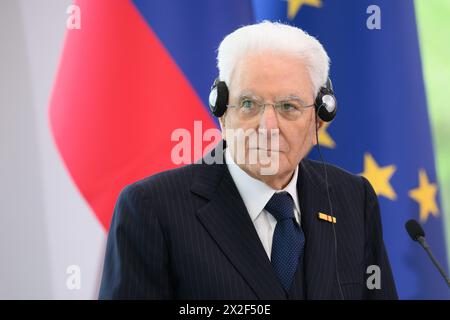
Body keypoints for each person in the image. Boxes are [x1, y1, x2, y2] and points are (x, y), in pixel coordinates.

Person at [99, 21, 397, 299]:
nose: (268, 126)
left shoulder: (354, 199)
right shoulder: (150, 209)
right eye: (249, 104)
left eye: (288, 106)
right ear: (222, 113)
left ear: (318, 118)